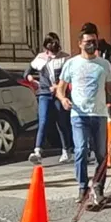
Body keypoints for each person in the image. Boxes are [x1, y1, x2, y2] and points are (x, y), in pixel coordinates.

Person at [55, 25, 111, 208]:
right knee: (81, 149)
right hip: (79, 115)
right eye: (88, 42)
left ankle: (98, 187)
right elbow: (60, 88)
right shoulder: (71, 64)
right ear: (80, 44)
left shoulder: (104, 64)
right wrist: (63, 99)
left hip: (98, 114)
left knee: (101, 154)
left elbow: (110, 87)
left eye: (94, 41)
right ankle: (83, 187)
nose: (92, 45)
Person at [25, 32, 73, 165]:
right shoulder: (40, 58)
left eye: (55, 43)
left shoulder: (65, 58)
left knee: (61, 121)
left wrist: (58, 87)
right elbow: (27, 72)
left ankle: (66, 150)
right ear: (46, 47)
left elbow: (69, 77)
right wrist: (31, 79)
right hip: (44, 93)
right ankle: (37, 151)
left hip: (60, 94)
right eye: (50, 44)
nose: (53, 47)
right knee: (43, 120)